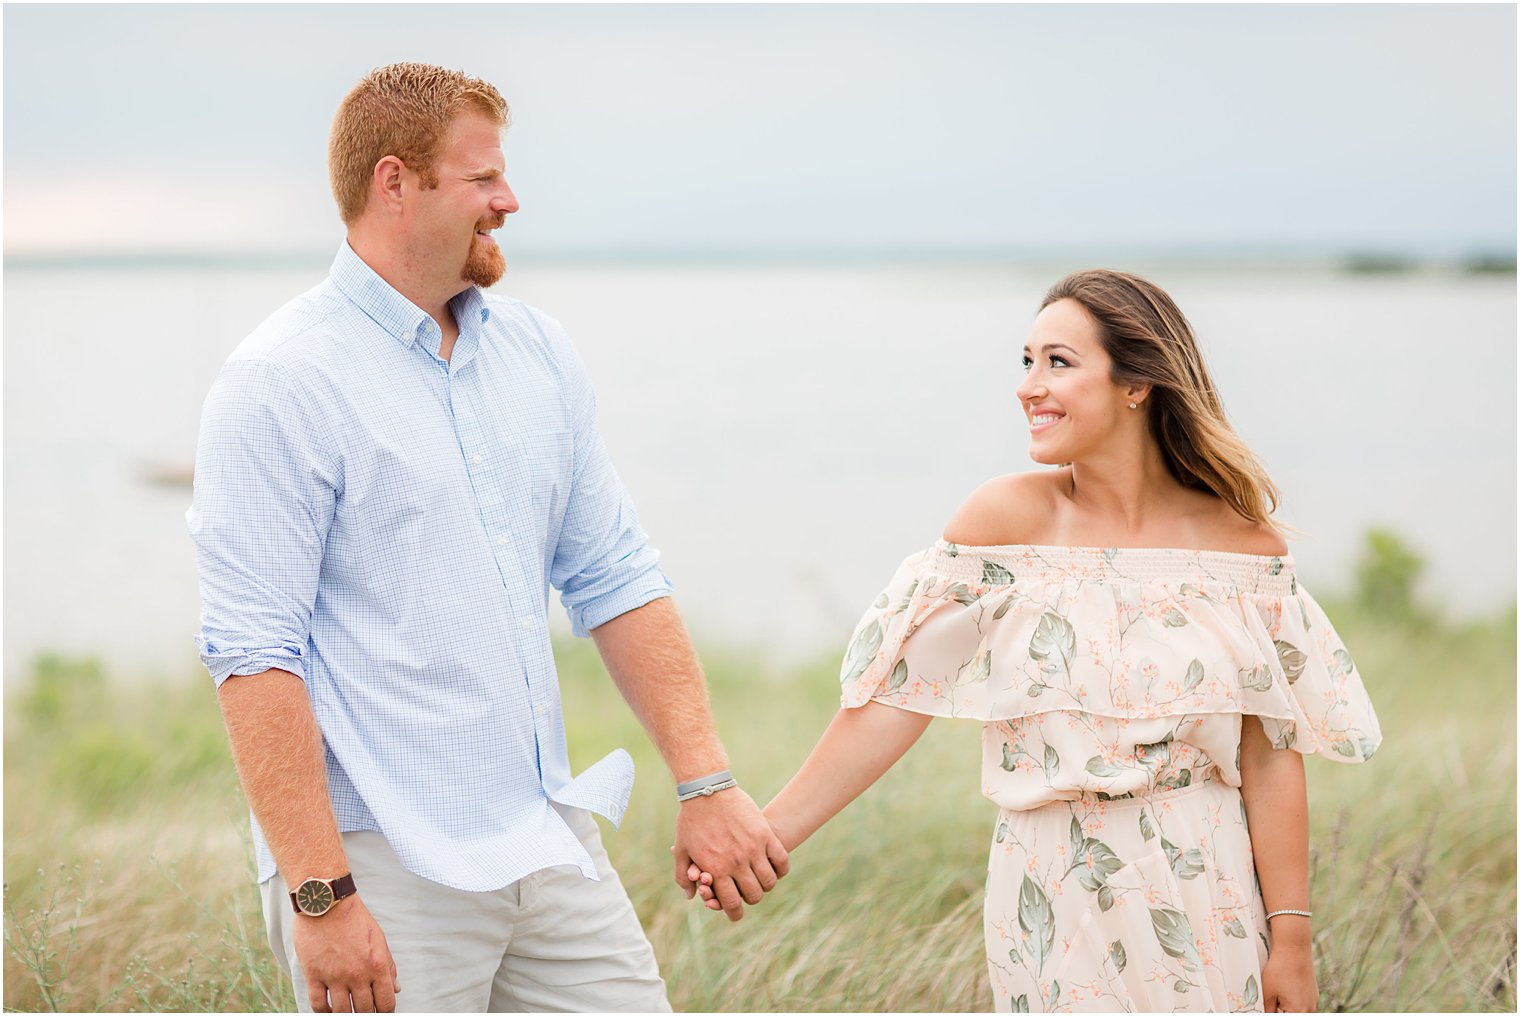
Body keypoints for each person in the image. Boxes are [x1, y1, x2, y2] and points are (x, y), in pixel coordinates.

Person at [188, 62, 786, 1015]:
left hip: (547, 839)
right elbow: (254, 656)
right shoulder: (279, 382)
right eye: (482, 180)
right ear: (396, 183)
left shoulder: (538, 354)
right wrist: (320, 894)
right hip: (379, 867)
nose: (509, 201)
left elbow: (617, 578)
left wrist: (706, 781)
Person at [691, 269, 1380, 1013]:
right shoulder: (1004, 524)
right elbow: (895, 700)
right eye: (1027, 362)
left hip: (1205, 889)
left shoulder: (1242, 549)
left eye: (1058, 361)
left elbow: (1270, 757)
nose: (1029, 386)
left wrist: (1294, 941)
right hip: (1050, 894)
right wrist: (760, 841)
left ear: (1136, 383)